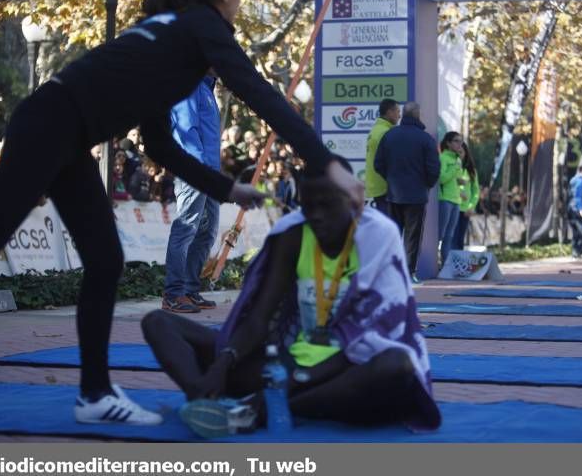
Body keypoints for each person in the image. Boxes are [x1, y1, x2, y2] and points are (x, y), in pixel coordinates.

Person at [0, 0, 363, 422]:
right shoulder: (201, 25)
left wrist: (226, 189)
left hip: (65, 131)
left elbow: (159, 147)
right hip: (52, 125)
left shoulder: (171, 37)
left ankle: (95, 395)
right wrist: (325, 163)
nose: (240, 0)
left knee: (105, 260)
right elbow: (257, 91)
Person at [142, 157, 440, 437]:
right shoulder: (295, 233)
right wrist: (223, 364)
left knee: (397, 365)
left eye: (327, 206)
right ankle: (202, 400)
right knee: (158, 323)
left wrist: (290, 385)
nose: (318, 217)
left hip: (348, 368)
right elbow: (260, 316)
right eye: (309, 207)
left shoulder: (378, 236)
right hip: (288, 363)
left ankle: (260, 411)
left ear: (351, 201)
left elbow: (375, 330)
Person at [163, 76, 222, 313]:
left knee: (207, 232)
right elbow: (186, 128)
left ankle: (189, 289)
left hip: (211, 172)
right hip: (195, 171)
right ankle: (173, 294)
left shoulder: (207, 88)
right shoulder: (189, 84)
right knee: (185, 229)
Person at [373, 102, 439, 283]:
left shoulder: (390, 136)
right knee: (413, 235)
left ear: (403, 114)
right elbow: (434, 169)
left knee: (394, 233)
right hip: (417, 195)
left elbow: (378, 164)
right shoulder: (425, 139)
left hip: (394, 194)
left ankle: (391, 272)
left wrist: (391, 179)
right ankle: (408, 273)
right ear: (418, 115)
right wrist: (426, 184)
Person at [365, 99, 400, 216]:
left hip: (378, 185)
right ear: (389, 112)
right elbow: (390, 161)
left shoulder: (376, 130)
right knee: (389, 227)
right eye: (397, 111)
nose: (399, 116)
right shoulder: (385, 132)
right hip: (385, 186)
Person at [437, 132, 465, 265]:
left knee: (450, 235)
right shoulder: (443, 158)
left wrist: (461, 183)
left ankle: (445, 265)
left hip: (456, 200)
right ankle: (431, 261)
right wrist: (455, 167)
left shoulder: (457, 159)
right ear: (448, 143)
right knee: (439, 234)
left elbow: (456, 178)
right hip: (445, 200)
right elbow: (442, 179)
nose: (460, 144)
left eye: (461, 141)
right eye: (456, 141)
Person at [452, 141, 479, 250]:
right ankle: (450, 263)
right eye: (457, 152)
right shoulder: (451, 166)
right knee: (451, 238)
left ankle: (458, 265)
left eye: (461, 152)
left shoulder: (471, 171)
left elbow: (475, 191)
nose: (459, 155)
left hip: (465, 211)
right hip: (453, 207)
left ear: (466, 153)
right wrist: (458, 193)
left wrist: (471, 207)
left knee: (460, 239)